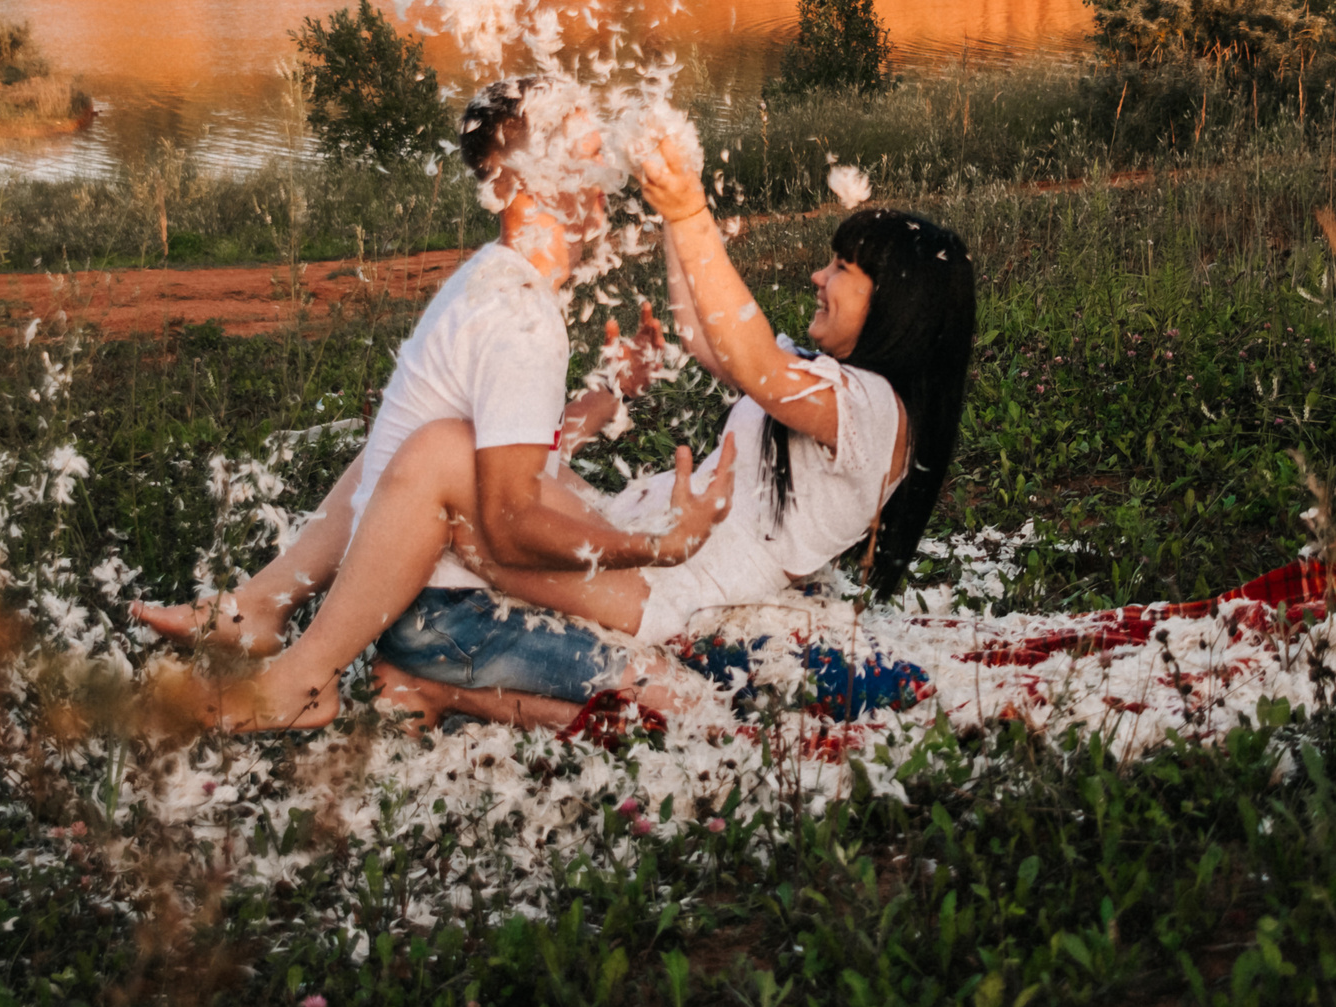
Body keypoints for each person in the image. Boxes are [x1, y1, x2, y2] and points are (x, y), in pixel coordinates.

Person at [182, 126, 976, 731]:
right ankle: (274, 609)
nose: (818, 275)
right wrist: (669, 205)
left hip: (669, 593)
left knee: (446, 471)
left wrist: (690, 207)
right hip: (640, 546)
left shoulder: (877, 413)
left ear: (898, 304)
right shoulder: (836, 382)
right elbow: (709, 338)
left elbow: (750, 353)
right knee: (450, 437)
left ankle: (305, 676)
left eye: (842, 268)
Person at [132, 78, 727, 732]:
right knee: (689, 707)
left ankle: (292, 628)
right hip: (446, 616)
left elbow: (514, 451)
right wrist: (653, 543)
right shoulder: (522, 318)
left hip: (417, 598)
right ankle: (332, 684)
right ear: (526, 185)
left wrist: (613, 391)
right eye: (587, 157)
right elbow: (508, 523)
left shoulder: (494, 277)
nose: (607, 174)